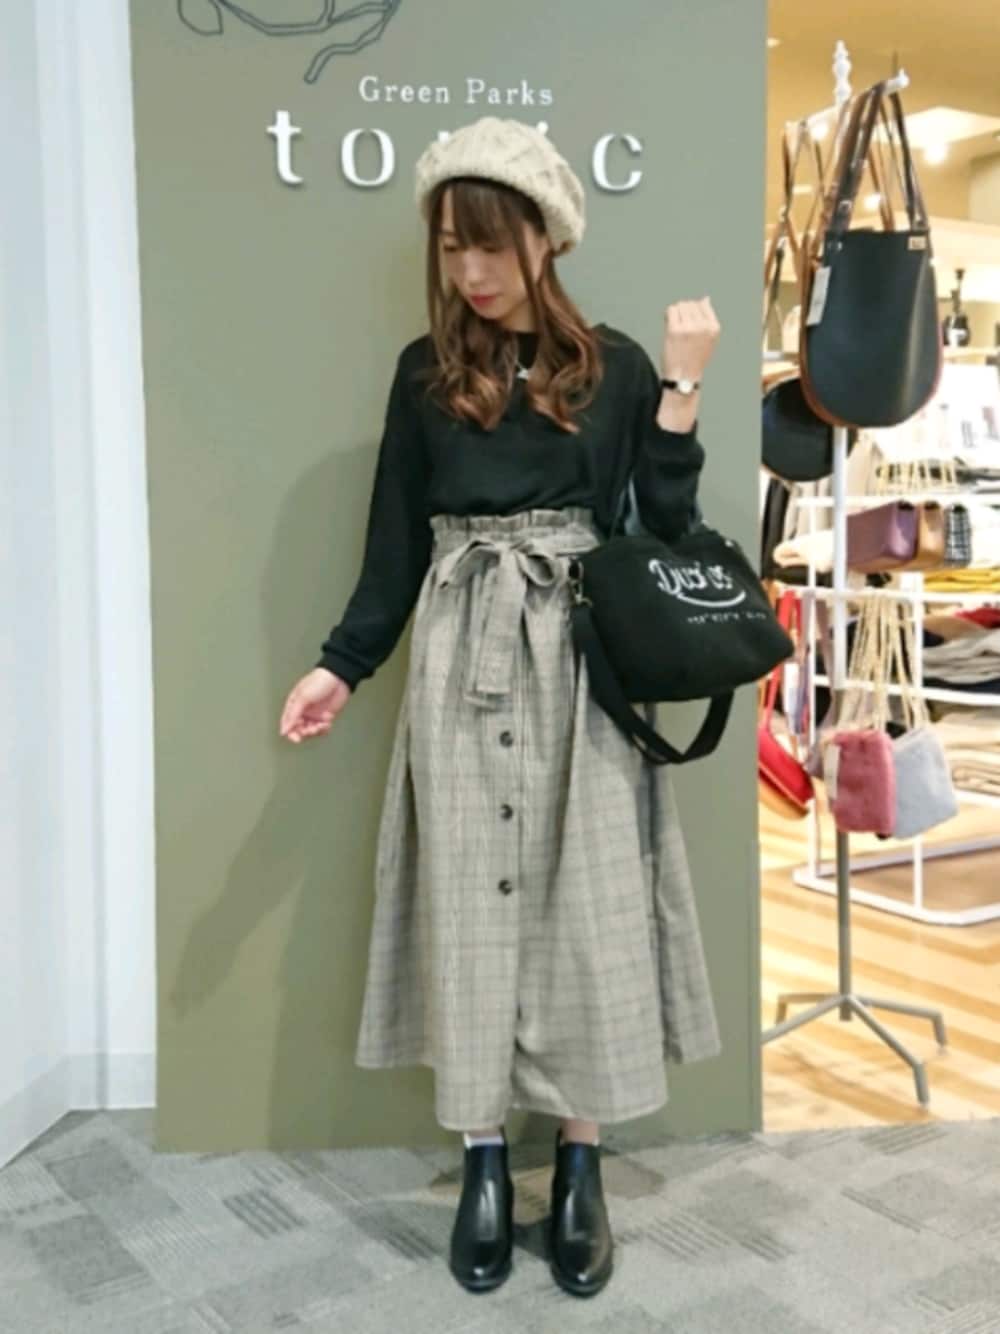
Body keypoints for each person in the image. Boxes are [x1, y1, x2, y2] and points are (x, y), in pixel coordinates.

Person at [278, 115, 723, 1299]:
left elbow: (665, 530)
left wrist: (682, 389)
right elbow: (392, 541)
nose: (469, 268)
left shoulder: (615, 367)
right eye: (449, 245)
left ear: (545, 235)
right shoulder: (424, 375)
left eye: (488, 241)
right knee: (465, 903)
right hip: (459, 649)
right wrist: (340, 664)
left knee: (589, 905)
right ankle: (483, 1155)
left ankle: (578, 1163)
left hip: (581, 657)